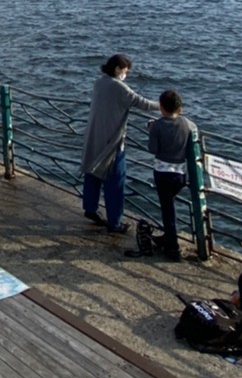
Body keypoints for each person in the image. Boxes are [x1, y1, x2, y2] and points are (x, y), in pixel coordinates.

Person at [80, 54, 160, 235]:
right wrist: (163, 107)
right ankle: (114, 222)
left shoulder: (100, 82)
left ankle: (90, 209)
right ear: (117, 69)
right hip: (112, 141)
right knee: (115, 180)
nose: (126, 75)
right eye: (125, 71)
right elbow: (142, 103)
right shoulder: (119, 87)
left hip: (94, 136)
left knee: (92, 173)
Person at [148, 89, 197, 261]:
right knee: (170, 206)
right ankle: (167, 237)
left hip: (163, 174)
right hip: (181, 175)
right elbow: (194, 134)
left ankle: (172, 246)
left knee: (167, 210)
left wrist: (152, 129)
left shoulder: (158, 126)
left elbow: (153, 149)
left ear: (161, 108)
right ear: (180, 108)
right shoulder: (187, 124)